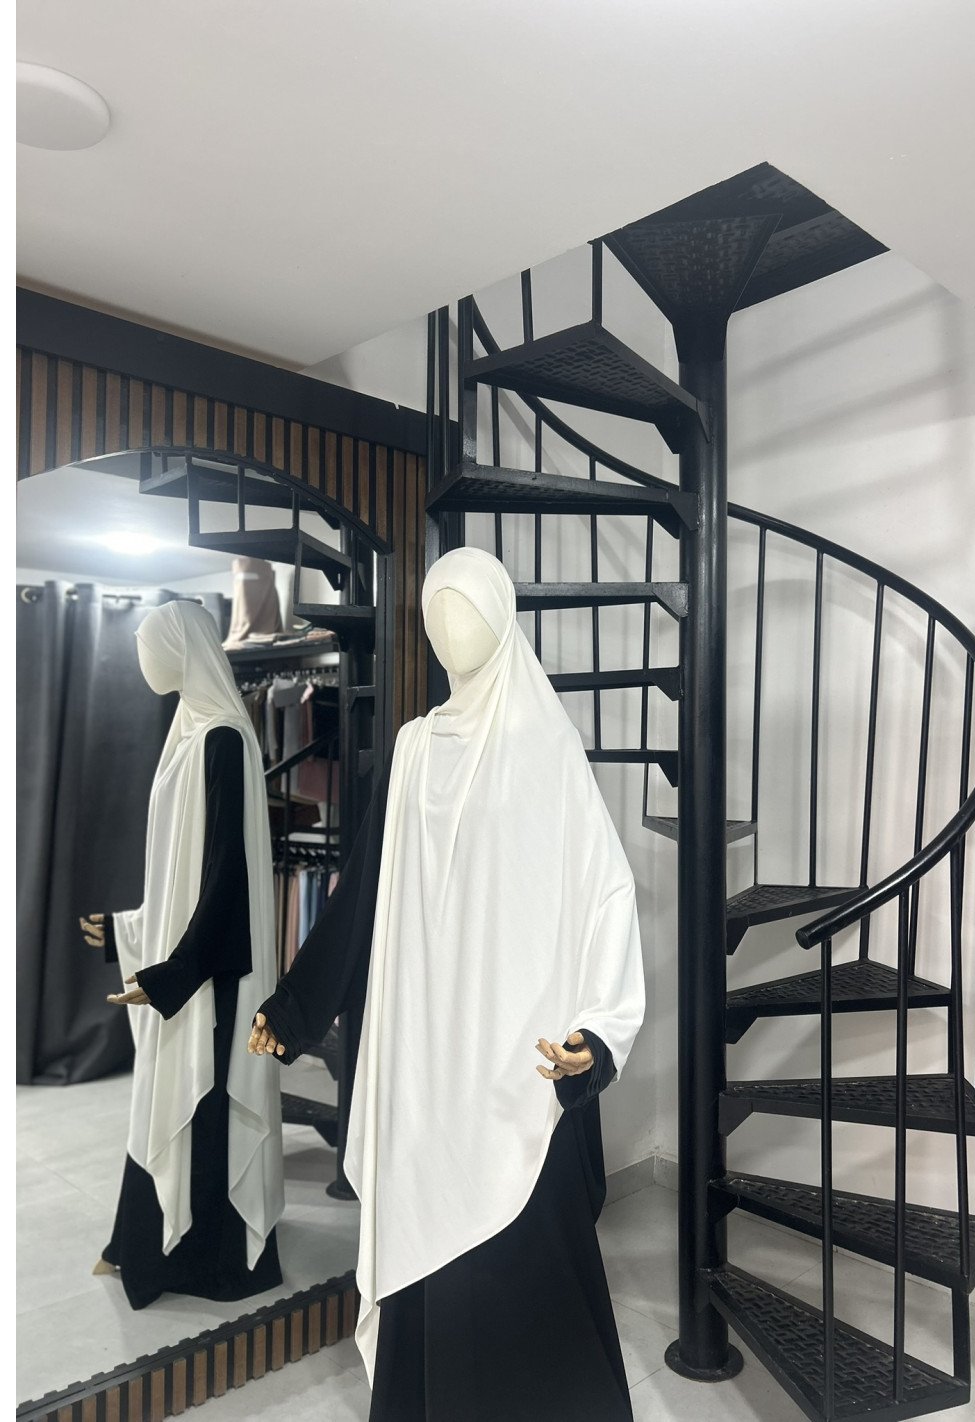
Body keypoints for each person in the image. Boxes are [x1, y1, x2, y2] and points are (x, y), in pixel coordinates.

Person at [249, 547, 646, 1420]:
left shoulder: (547, 748)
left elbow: (606, 894)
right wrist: (299, 1003)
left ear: (503, 621)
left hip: (522, 1064)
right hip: (428, 1064)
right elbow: (364, 890)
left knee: (527, 1254)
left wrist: (601, 1031)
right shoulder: (414, 748)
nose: (450, 634)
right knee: (433, 1247)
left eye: (466, 614)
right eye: (437, 620)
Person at [81, 599, 283, 1310]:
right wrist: (130, 930)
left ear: (181, 651)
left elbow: (227, 879)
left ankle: (209, 1264)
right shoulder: (189, 734)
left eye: (151, 646)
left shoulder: (222, 738)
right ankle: (144, 1244)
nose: (144, 660)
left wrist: (174, 972)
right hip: (191, 962)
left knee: (206, 1101)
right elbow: (179, 874)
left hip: (214, 972)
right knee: (169, 1097)